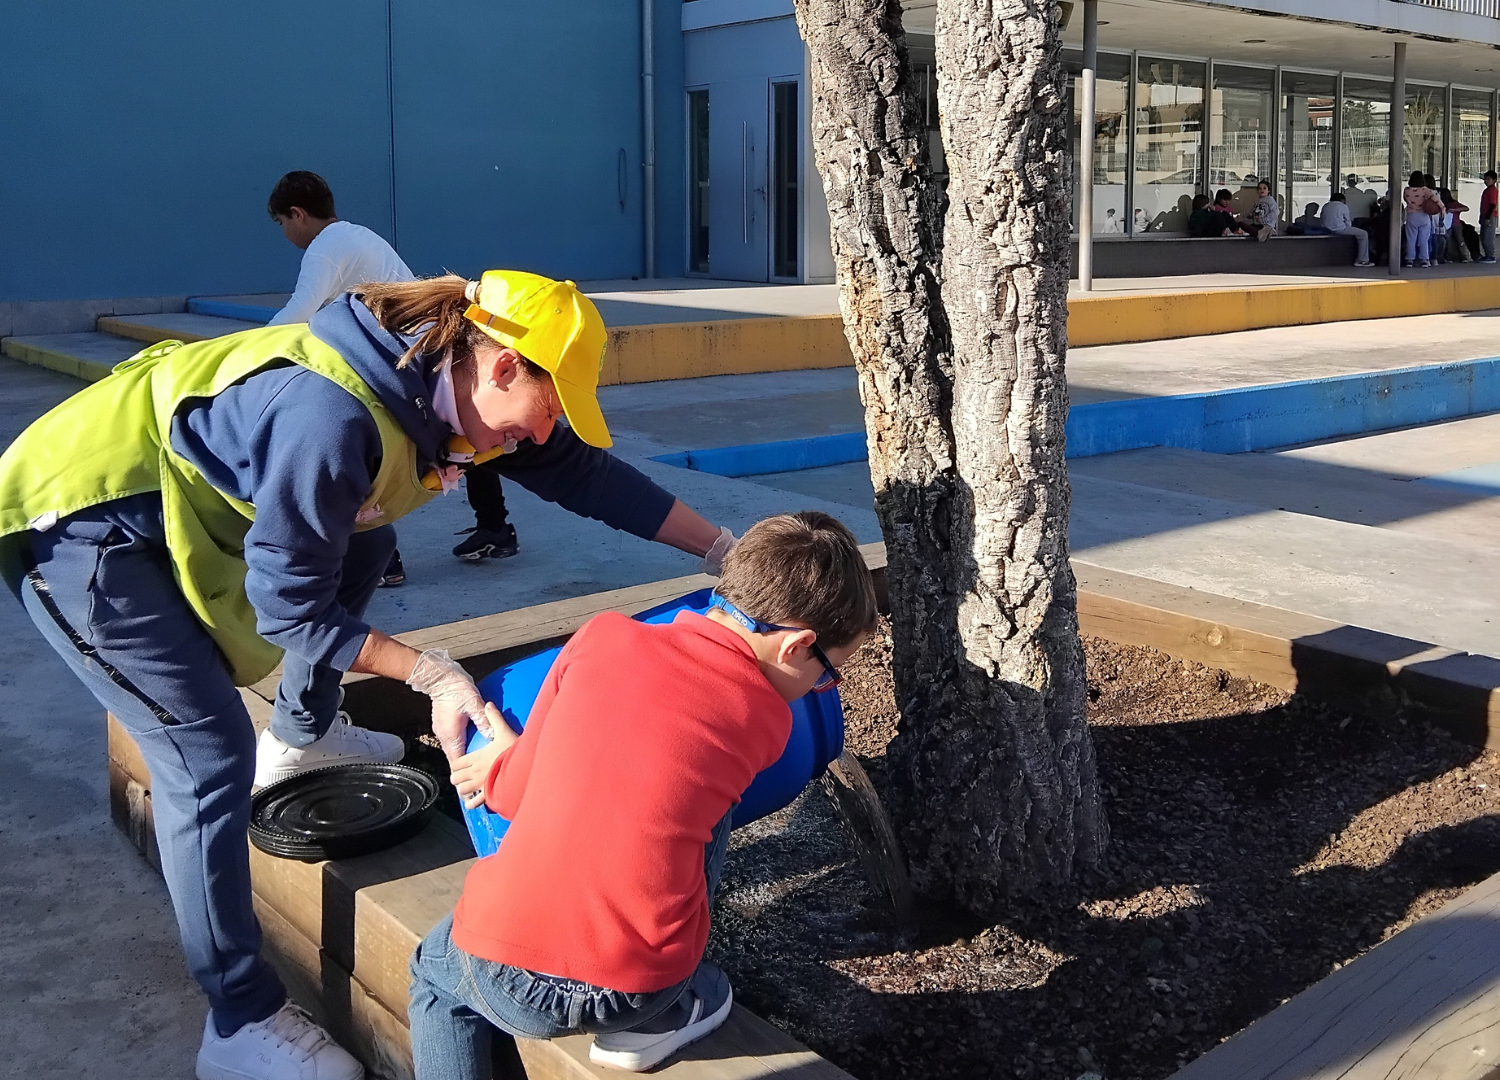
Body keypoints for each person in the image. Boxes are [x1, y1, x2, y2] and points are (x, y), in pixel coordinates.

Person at [0, 270, 737, 1080]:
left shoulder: (436, 382)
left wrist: (720, 550)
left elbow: (585, 475)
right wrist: (429, 672)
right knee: (204, 753)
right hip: (81, 524)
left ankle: (301, 733)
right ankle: (237, 1021)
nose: (543, 432)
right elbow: (286, 610)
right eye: (549, 407)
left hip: (168, 498)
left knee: (368, 538)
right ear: (499, 369)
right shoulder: (331, 416)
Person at [407, 511, 878, 1078]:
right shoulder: (767, 724)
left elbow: (511, 796)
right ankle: (669, 1015)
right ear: (796, 646)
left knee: (434, 979)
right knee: (697, 799)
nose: (822, 688)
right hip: (638, 989)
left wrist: (514, 753)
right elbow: (664, 759)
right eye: (827, 673)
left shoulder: (601, 636)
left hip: (500, 970)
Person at [266, 171, 413, 325]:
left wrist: (254, 342)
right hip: (418, 327)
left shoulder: (323, 247)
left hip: (402, 336)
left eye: (281, 222)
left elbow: (299, 313)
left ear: (297, 214)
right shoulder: (359, 234)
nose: (284, 231)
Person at [1319, 193, 1374, 266]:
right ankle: (1362, 260)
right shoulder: (1343, 206)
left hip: (1325, 229)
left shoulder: (1325, 206)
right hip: (1339, 229)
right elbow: (1348, 222)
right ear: (1342, 200)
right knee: (1363, 234)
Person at [1403, 170, 1438, 268]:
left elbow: (1405, 199)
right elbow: (1436, 200)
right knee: (1424, 239)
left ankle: (1410, 260)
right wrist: (1442, 209)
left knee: (1411, 239)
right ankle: (1424, 260)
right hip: (1424, 215)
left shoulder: (1406, 190)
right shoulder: (1425, 190)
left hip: (1411, 215)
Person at [1480, 171, 1498, 264]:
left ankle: (1490, 255)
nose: (1486, 181)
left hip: (1490, 215)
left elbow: (1492, 205)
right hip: (1484, 215)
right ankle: (1487, 254)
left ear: (1494, 180)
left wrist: (1487, 218)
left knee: (1488, 236)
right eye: (1485, 179)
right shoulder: (1487, 190)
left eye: (1488, 179)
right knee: (1483, 236)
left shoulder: (1493, 190)